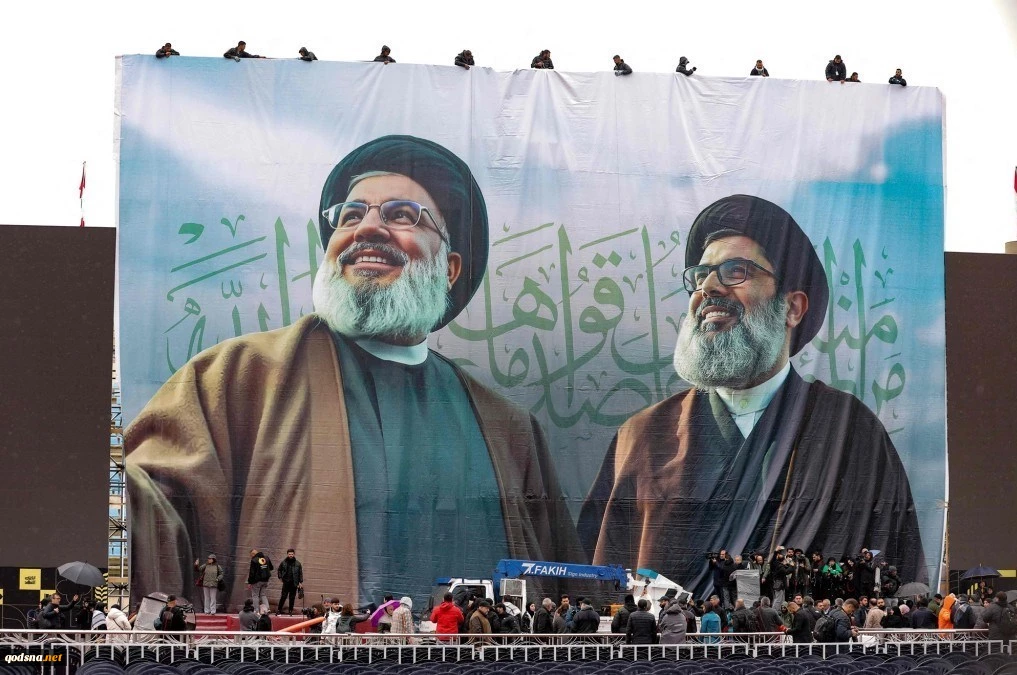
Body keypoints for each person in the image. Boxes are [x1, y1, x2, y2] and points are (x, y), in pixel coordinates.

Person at [126, 134, 581, 610]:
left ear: (449, 269)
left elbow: (563, 580)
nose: (368, 229)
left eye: (401, 215)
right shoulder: (237, 378)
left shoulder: (508, 430)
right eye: (350, 215)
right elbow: (147, 510)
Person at [579, 194, 925, 599]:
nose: (709, 288)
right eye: (701, 275)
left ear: (792, 308)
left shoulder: (851, 433)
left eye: (735, 271)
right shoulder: (642, 435)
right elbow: (603, 582)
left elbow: (897, 572)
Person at [276, 548, 303, 616]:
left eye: (292, 554)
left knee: (292, 598)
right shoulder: (283, 562)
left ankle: (290, 611)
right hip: (286, 583)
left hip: (294, 583)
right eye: (289, 554)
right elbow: (279, 570)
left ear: (294, 554)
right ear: (287, 554)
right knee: (283, 597)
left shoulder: (298, 563)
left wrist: (300, 582)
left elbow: (300, 573)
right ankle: (279, 610)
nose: (291, 555)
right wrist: (280, 577)